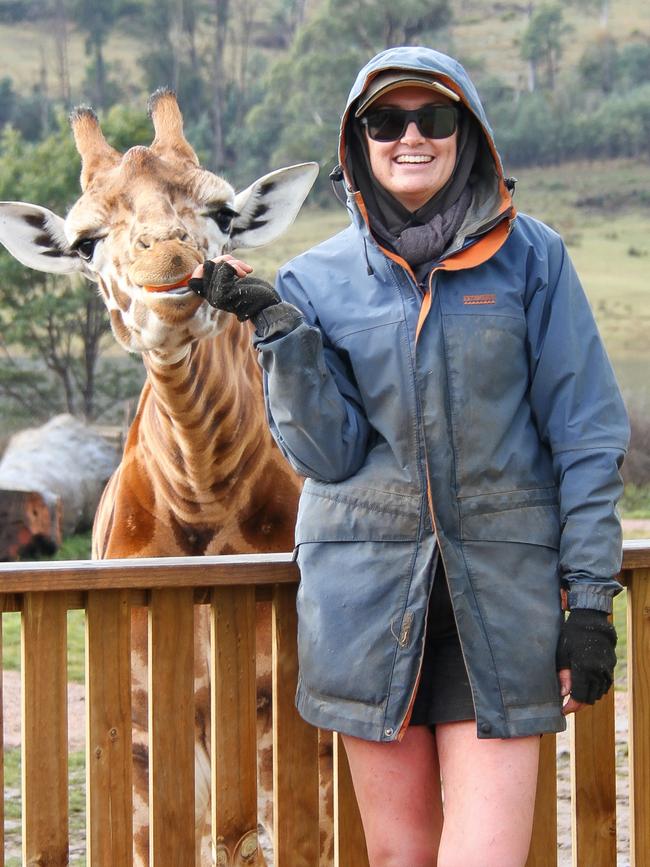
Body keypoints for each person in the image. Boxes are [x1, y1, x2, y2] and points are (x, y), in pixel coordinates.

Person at [189, 46, 629, 867]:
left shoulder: (534, 260)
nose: (411, 137)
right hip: (364, 607)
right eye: (388, 121)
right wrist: (280, 333)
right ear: (359, 142)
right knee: (401, 858)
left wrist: (593, 600)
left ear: (471, 133)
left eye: (436, 118)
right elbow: (328, 452)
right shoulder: (316, 281)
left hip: (501, 607)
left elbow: (587, 435)